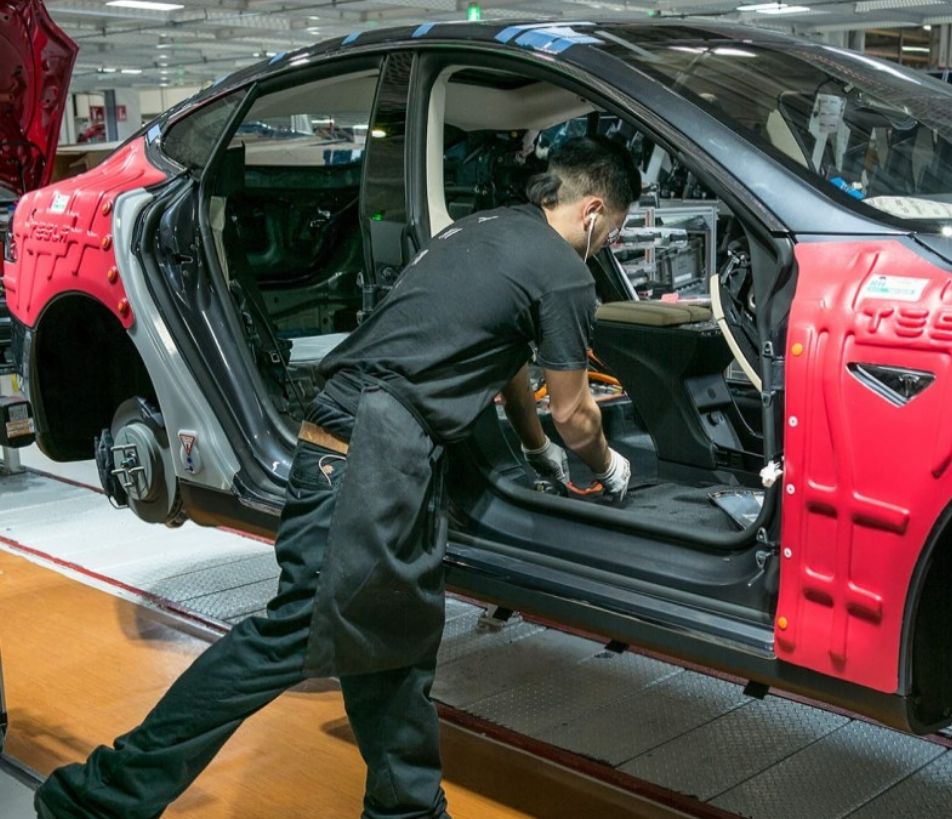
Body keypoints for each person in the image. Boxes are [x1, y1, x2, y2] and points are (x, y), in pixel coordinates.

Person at [35, 135, 641, 819]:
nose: (608, 246)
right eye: (612, 232)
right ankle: (98, 799)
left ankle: (405, 809)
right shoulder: (563, 272)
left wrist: (532, 449)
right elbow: (576, 414)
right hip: (368, 458)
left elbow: (504, 357)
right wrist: (606, 464)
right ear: (593, 209)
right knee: (291, 636)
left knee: (394, 636)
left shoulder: (490, 229)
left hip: (371, 450)